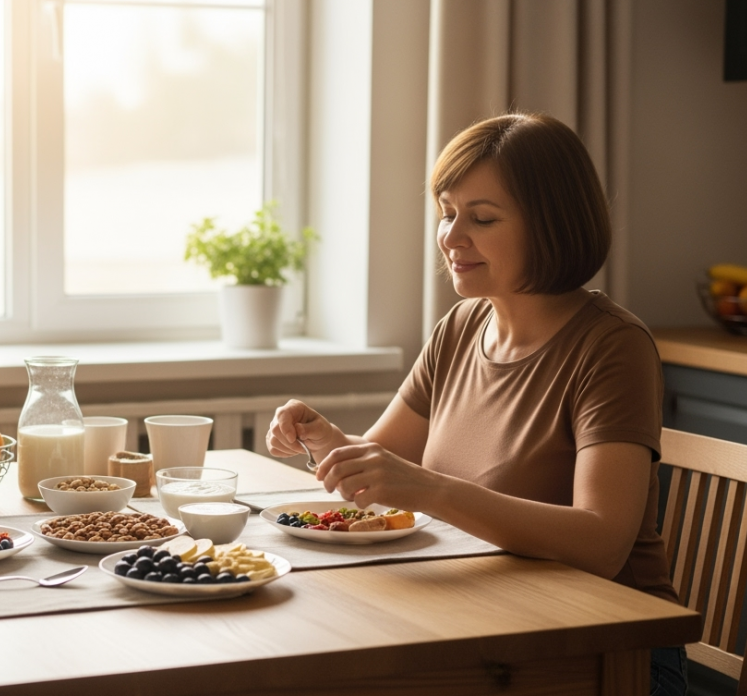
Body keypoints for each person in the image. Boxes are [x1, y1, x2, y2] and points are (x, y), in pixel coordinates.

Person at [266, 113, 686, 695]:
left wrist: (428, 489)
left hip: (611, 649)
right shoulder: (463, 326)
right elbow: (382, 464)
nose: (451, 237)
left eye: (482, 218)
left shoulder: (612, 346)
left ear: (552, 225)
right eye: (447, 214)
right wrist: (324, 437)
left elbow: (601, 542)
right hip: (486, 619)